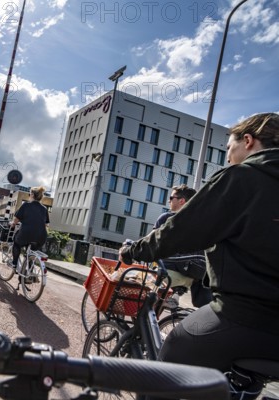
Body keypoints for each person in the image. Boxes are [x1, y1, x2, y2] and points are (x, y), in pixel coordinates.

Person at [119, 113, 279, 390]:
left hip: (246, 314)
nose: (228, 157)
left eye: (229, 148)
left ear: (249, 141)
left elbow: (180, 231)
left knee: (168, 360)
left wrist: (134, 252)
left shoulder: (242, 178)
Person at [153, 184, 212, 308]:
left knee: (141, 290)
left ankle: (146, 323)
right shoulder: (204, 222)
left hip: (169, 275)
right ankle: (174, 297)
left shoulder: (167, 218)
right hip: (195, 277)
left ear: (181, 201)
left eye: (171, 197)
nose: (169, 201)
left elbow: (152, 243)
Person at [8, 186, 50, 271]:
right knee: (31, 250)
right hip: (41, 237)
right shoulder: (44, 209)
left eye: (29, 194)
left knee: (16, 242)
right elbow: (46, 224)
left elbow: (16, 219)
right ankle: (30, 269)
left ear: (32, 195)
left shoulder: (26, 205)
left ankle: (14, 263)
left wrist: (12, 223)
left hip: (26, 233)